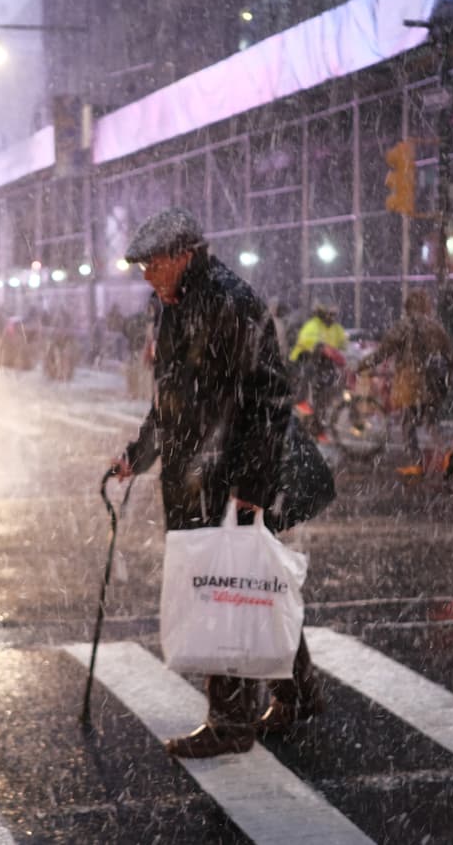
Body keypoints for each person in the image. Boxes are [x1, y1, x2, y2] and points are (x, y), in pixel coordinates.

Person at [111, 207, 324, 759]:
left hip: (227, 475)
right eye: (141, 267)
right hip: (197, 473)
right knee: (250, 581)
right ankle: (297, 693)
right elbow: (172, 399)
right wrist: (140, 453)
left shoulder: (228, 302)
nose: (146, 275)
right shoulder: (175, 305)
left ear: (183, 255)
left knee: (222, 591)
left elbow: (269, 399)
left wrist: (250, 485)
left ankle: (231, 722)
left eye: (153, 263)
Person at [358, 290, 453, 478]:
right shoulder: (435, 328)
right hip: (432, 381)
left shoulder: (404, 326)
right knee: (431, 421)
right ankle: (447, 451)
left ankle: (416, 463)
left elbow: (383, 352)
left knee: (407, 423)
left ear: (408, 307)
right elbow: (450, 355)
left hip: (410, 380)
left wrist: (362, 365)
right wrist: (448, 378)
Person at [288, 300, 347, 427]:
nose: (331, 317)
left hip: (324, 366)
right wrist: (321, 347)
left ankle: (316, 424)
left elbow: (345, 344)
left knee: (326, 393)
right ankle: (301, 402)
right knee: (310, 382)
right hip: (304, 360)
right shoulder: (313, 325)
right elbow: (307, 341)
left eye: (333, 314)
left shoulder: (336, 329)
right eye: (329, 314)